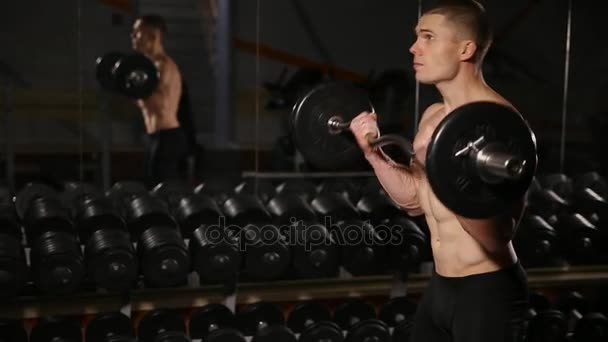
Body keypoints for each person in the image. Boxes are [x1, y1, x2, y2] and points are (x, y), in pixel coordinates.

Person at [350, 1, 529, 341]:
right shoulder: (433, 116)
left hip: (487, 292)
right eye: (417, 37)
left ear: (465, 48)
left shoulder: (500, 123)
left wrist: (445, 166)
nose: (414, 47)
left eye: (428, 37)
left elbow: (498, 235)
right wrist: (372, 154)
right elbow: (415, 201)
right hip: (441, 286)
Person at [131, 14, 189, 186]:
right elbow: (144, 103)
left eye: (137, 32)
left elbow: (161, 107)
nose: (132, 36)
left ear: (152, 36)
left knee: (163, 196)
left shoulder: (162, 66)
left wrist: (137, 89)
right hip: (155, 137)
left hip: (167, 138)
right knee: (152, 191)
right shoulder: (149, 68)